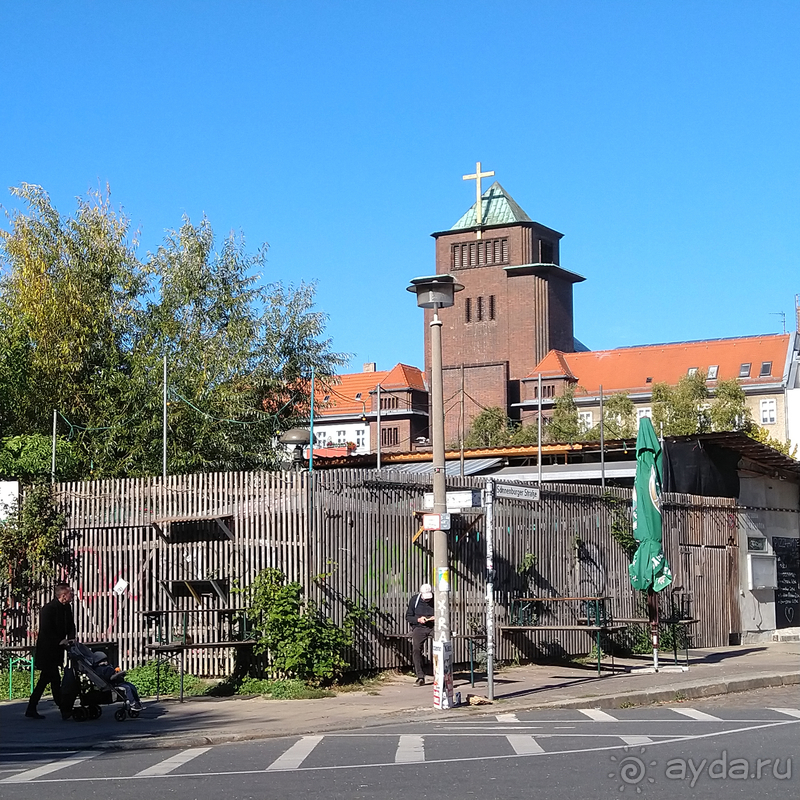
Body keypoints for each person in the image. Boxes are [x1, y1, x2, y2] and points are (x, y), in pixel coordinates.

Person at [26, 583, 76, 720]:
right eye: (70, 594)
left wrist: (71, 639)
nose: (72, 596)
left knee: (47, 680)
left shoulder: (67, 608)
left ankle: (32, 707)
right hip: (47, 650)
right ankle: (64, 709)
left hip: (57, 650)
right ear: (63, 595)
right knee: (53, 679)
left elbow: (71, 625)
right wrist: (59, 641)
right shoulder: (48, 609)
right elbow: (46, 631)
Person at [405, 582, 435, 686]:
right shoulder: (415, 600)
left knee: (441, 646)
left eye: (429, 598)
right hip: (419, 627)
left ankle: (441, 674)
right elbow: (408, 616)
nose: (427, 600)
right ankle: (420, 676)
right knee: (416, 649)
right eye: (425, 598)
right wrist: (418, 619)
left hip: (433, 627)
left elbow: (444, 613)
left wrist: (435, 618)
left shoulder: (436, 599)